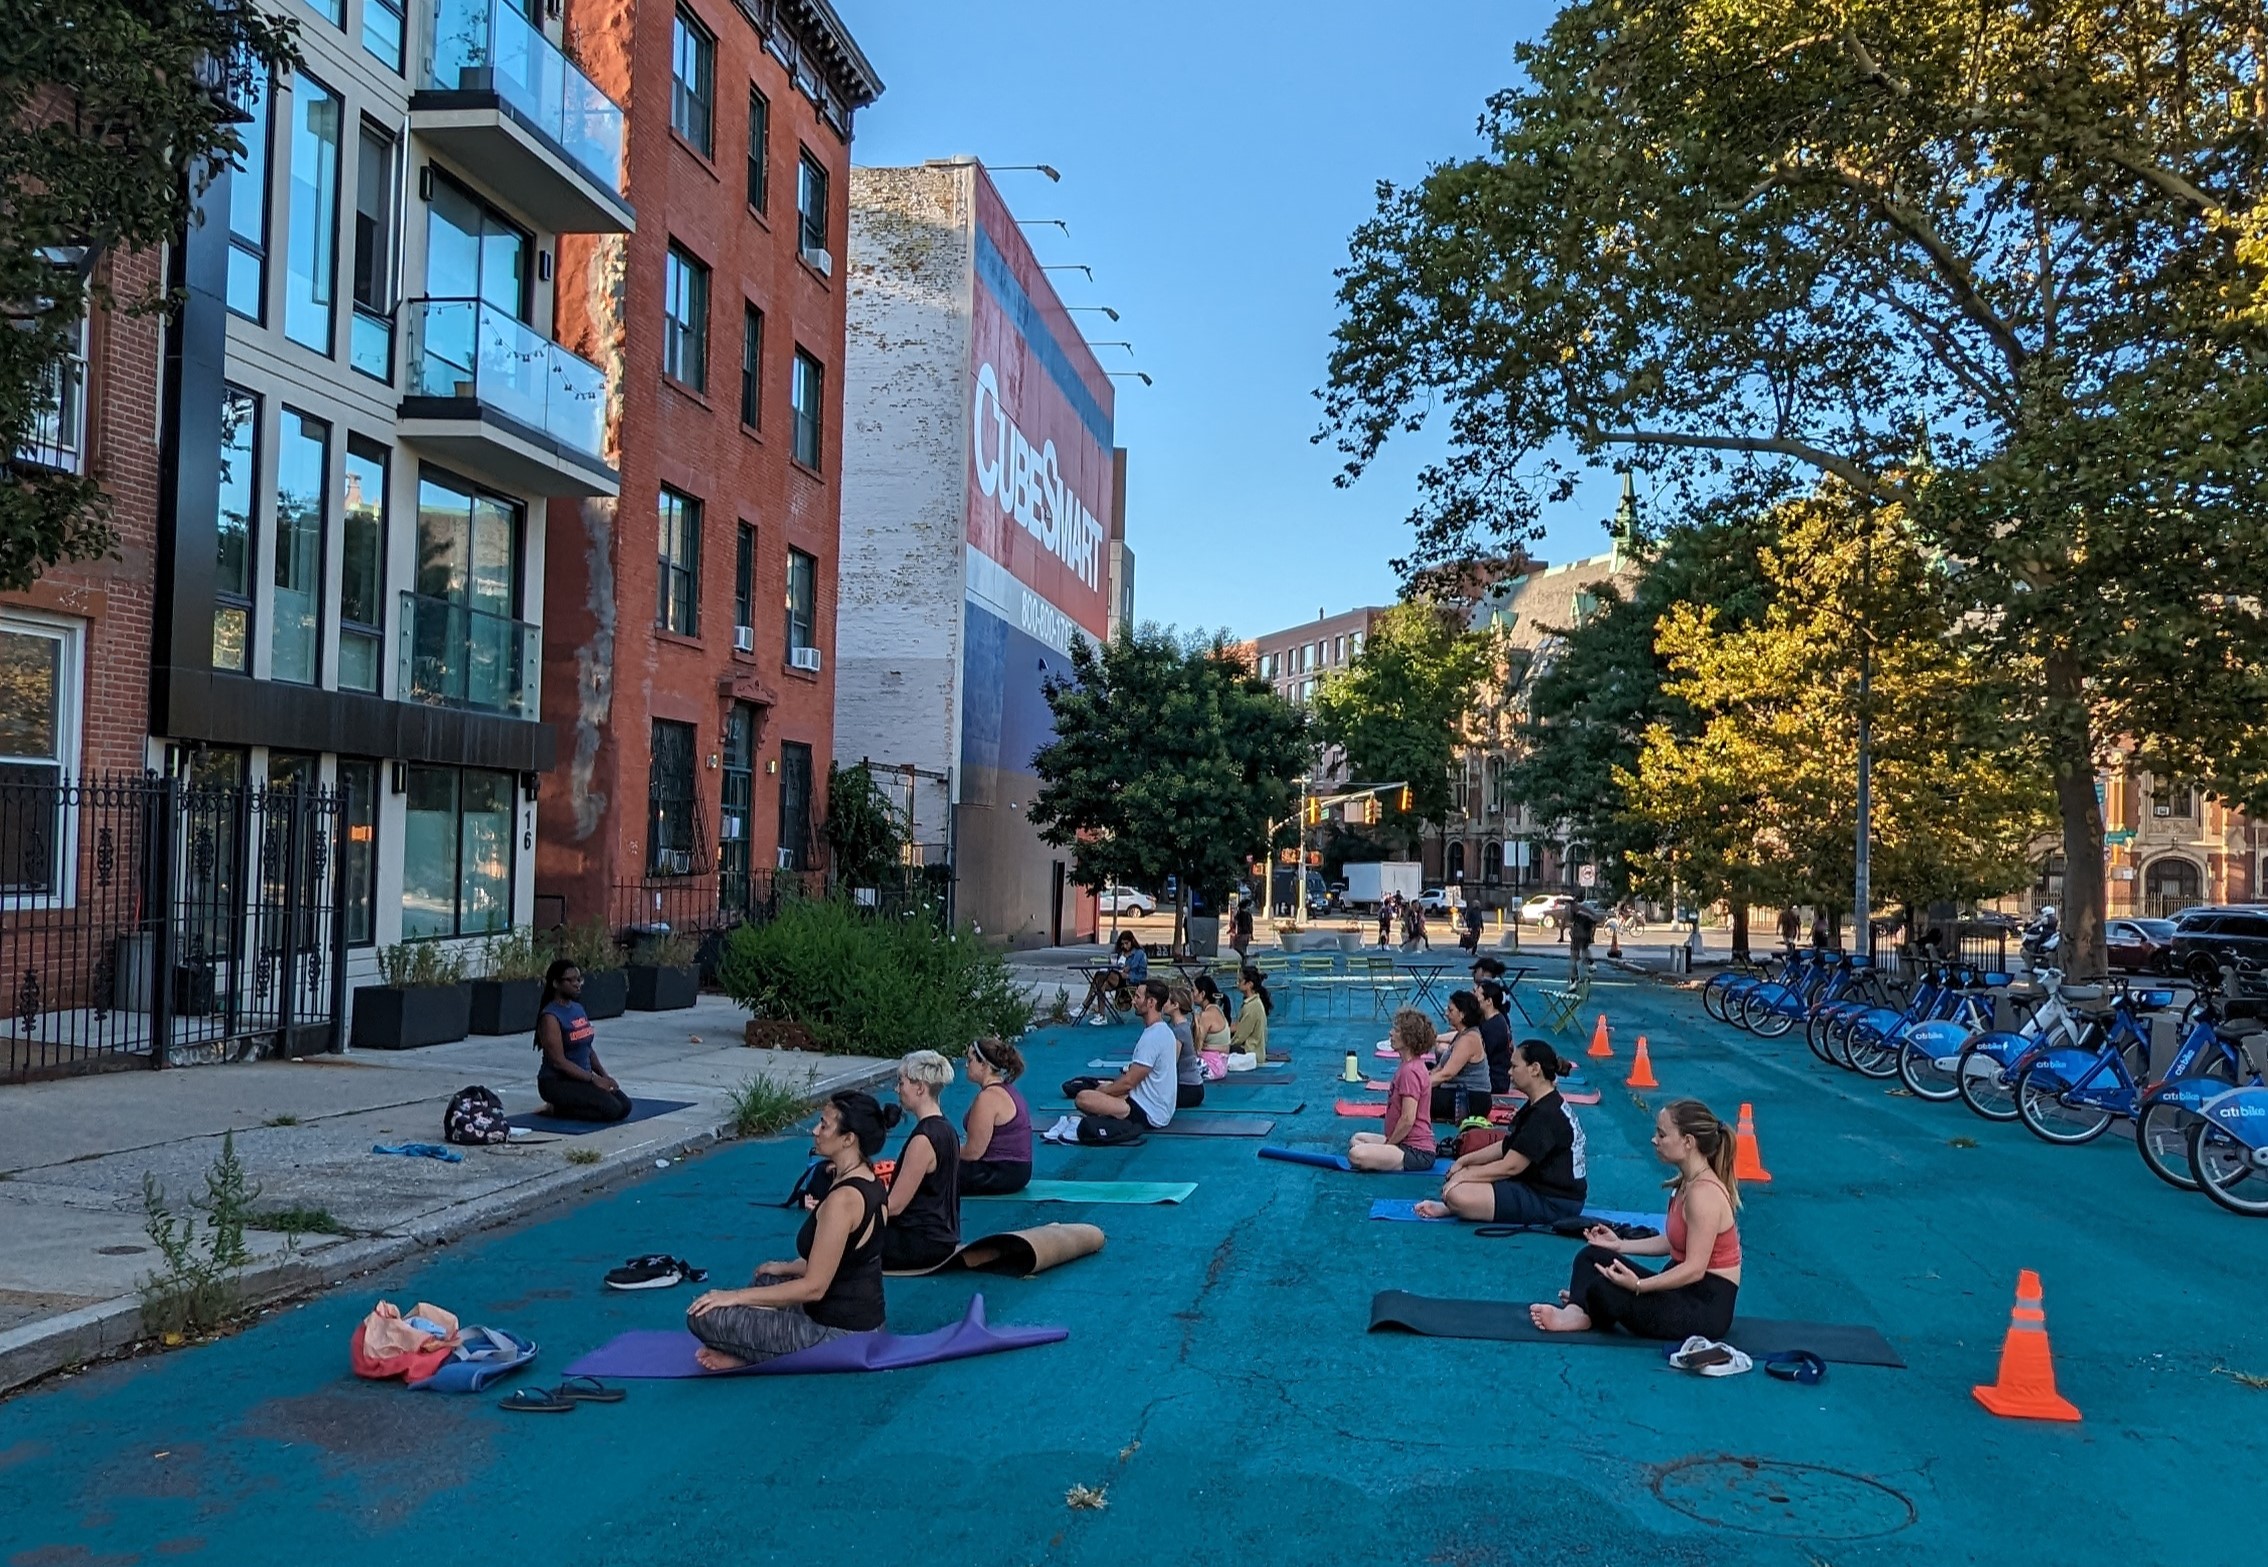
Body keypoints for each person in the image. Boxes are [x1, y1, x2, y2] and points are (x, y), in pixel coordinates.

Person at [685, 1092, 892, 1368]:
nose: (815, 1131)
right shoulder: (868, 1179)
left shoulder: (843, 1200)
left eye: (824, 1125)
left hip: (836, 1336)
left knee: (702, 1315)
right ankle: (749, 1348)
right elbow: (842, 1262)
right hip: (861, 1321)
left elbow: (814, 1288)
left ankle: (747, 1355)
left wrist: (733, 1297)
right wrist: (782, 1268)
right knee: (765, 1281)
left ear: (848, 1139)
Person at [1529, 1098, 1740, 1341]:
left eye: (1662, 1135)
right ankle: (1578, 1310)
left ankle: (1589, 1309)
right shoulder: (1687, 1182)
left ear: (1688, 1142)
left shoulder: (1704, 1195)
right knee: (1591, 1257)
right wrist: (1618, 1245)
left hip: (1704, 1309)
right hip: (1681, 1291)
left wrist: (1638, 1286)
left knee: (1605, 1288)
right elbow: (1674, 1241)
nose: (1654, 1140)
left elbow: (1694, 1269)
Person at [1417, 1039, 1588, 1224]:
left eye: (1514, 1066)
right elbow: (1508, 1145)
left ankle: (1456, 1206)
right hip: (1543, 1189)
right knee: (1464, 1175)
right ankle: (1458, 1206)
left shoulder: (1545, 1114)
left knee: (1456, 1193)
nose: (1509, 1072)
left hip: (1554, 1202)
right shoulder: (1543, 1103)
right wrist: (1463, 1161)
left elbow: (1511, 1166)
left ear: (1535, 1069)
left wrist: (1463, 1176)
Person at [1057, 979, 1178, 1142]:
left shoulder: (1153, 1037)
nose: (1133, 1001)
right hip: (1151, 1104)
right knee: (1102, 1088)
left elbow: (1129, 1082)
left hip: (1148, 1111)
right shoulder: (1163, 1031)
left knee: (1083, 1098)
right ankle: (1105, 1114)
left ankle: (1108, 1118)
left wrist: (1102, 1093)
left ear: (1151, 1002)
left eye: (1137, 997)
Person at [881, 1050, 961, 1272]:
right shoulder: (947, 1129)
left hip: (920, 1241)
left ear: (920, 1088)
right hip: (939, 1236)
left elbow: (895, 1205)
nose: (898, 1089)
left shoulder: (924, 1139)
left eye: (902, 1082)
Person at [533, 960, 631, 1122]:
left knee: (625, 1106)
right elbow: (558, 1062)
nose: (577, 984)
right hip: (556, 1083)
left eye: (579, 979)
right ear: (556, 984)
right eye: (570, 980)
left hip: (581, 1079)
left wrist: (604, 1076)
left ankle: (568, 1105)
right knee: (611, 1110)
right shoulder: (550, 1016)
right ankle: (556, 1108)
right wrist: (593, 1079)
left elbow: (587, 1048)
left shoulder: (578, 1008)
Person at [1350, 1008, 1442, 1171]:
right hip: (1403, 1142)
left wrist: (1389, 1145)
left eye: (1396, 1030)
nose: (1391, 1033)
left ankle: (1389, 1156)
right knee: (1357, 1139)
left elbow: (1408, 1119)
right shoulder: (1410, 1066)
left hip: (1415, 1151)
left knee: (1356, 1155)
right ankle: (1386, 1154)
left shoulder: (1410, 1072)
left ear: (1408, 1038)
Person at [959, 1035, 1031, 1196]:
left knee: (929, 1170)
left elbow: (973, 1152)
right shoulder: (1007, 1090)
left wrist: (942, 1150)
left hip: (1000, 1172)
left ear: (984, 1065)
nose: (966, 1065)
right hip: (1016, 1171)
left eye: (970, 1060)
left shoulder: (988, 1098)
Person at [1428, 990, 1494, 1124]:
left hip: (1471, 1100)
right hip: (1459, 1092)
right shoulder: (1461, 1035)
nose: (1446, 1013)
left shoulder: (1468, 1040)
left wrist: (1418, 1086)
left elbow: (1446, 1074)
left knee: (1417, 1098)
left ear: (1462, 1014)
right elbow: (1440, 1067)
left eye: (1450, 1010)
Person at [1082, 931, 1149, 1025]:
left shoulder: (1139, 954)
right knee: (1101, 984)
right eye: (1122, 944)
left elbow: (1142, 976)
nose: (1124, 946)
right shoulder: (1120, 953)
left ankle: (1085, 1005)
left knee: (1100, 976)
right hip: (1115, 978)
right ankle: (1101, 1015)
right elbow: (1114, 965)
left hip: (1129, 981)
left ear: (1132, 941)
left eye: (1126, 943)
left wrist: (1128, 975)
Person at [1164, 981, 1207, 1109]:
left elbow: (1172, 1063)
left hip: (1188, 1089)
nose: (1163, 1004)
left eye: (1166, 1001)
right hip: (1193, 1087)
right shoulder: (1185, 1026)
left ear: (1175, 1005)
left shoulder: (1179, 1031)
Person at [1475, 979, 1515, 1095]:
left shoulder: (1494, 1026)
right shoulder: (1492, 1020)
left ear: (1488, 1001)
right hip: (1494, 1077)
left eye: (1478, 997)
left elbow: (1480, 1055)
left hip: (1495, 1081)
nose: (1475, 1000)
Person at [1229, 966, 1271, 1066]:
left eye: (1240, 981)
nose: (1237, 983)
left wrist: (1224, 1045)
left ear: (1249, 984)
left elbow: (1239, 1037)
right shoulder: (1253, 1003)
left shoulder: (1252, 1007)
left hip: (1251, 1053)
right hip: (1254, 1050)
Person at [1192, 976, 1234, 1064]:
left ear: (1202, 994)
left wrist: (1195, 1022)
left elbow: (1197, 1049)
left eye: (1193, 991)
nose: (1191, 994)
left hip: (1211, 1066)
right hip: (1221, 1065)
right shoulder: (1217, 1010)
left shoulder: (1206, 1015)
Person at [1566, 900, 1598, 979]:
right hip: (1586, 935)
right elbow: (1594, 923)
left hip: (1577, 935)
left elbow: (1571, 919)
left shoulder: (1578, 911)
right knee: (1585, 949)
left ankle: (1574, 977)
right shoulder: (1589, 913)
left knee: (1574, 955)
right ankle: (1590, 964)